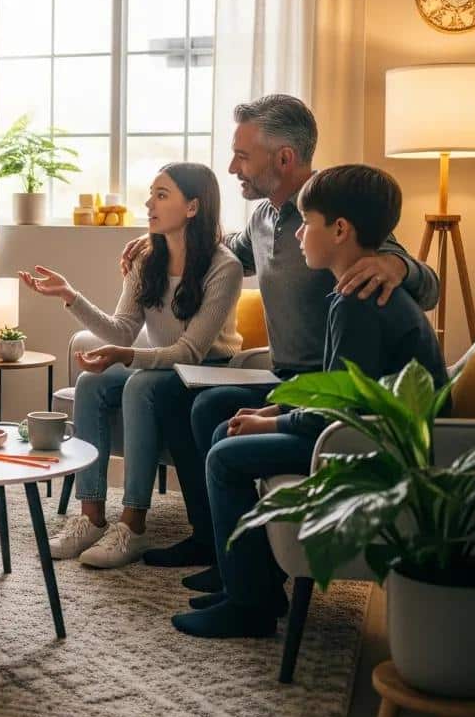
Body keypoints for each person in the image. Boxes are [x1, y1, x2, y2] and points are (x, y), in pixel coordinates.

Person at [120, 95, 439, 584]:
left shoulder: (332, 214)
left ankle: (247, 579)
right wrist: (163, 240)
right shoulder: (263, 218)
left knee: (203, 409)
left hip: (326, 387)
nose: (232, 168)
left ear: (284, 158)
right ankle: (218, 549)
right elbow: (221, 259)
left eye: (243, 156)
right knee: (190, 398)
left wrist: (399, 264)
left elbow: (426, 286)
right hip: (287, 378)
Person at [171, 165, 447, 638]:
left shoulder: (359, 302)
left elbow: (340, 413)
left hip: (375, 446)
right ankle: (252, 582)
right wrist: (271, 413)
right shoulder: (349, 295)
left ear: (340, 230)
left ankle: (249, 607)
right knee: (223, 427)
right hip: (363, 427)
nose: (298, 234)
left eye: (308, 223)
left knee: (224, 457)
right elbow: (341, 389)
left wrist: (274, 424)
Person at [19, 163, 243, 568]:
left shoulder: (224, 267)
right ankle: (90, 517)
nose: (149, 202)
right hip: (161, 368)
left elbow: (190, 352)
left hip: (209, 373)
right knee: (91, 382)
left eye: (162, 194)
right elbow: (122, 331)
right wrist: (70, 296)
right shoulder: (147, 260)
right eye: (151, 193)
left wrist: (129, 358)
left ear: (192, 207)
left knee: (139, 385)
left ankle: (134, 523)